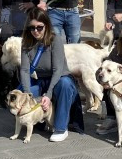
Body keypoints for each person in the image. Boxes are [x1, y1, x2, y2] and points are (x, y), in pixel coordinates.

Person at [18, 8, 84, 143]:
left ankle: (61, 128)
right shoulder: (26, 43)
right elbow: (24, 70)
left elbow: (57, 70)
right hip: (40, 80)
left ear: (46, 26)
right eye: (32, 28)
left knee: (64, 84)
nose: (35, 31)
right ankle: (39, 119)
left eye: (39, 27)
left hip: (60, 79)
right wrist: (27, 95)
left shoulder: (55, 39)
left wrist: (48, 95)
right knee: (18, 98)